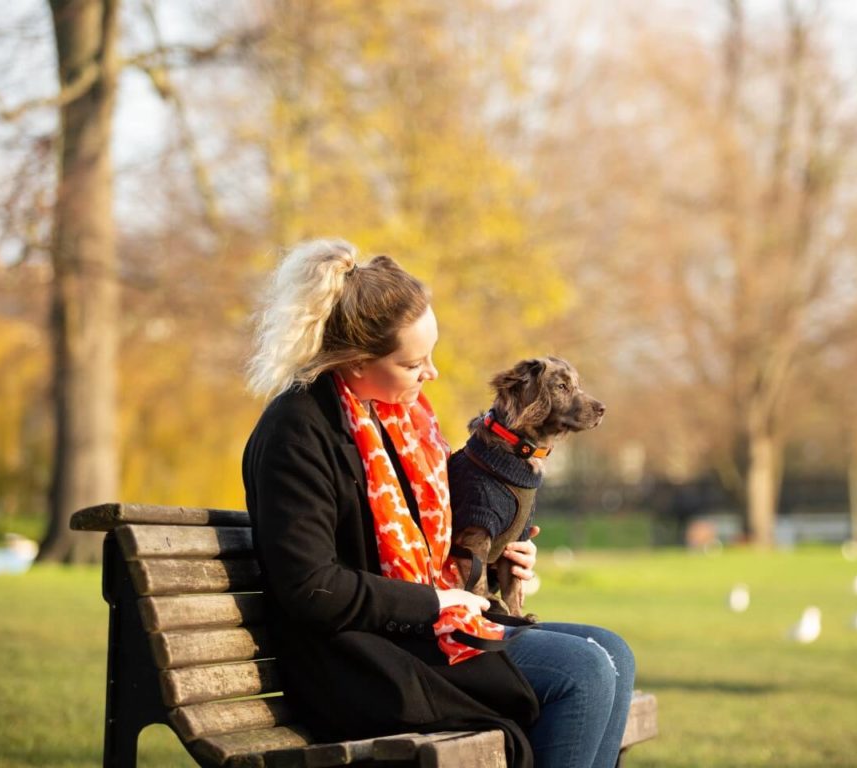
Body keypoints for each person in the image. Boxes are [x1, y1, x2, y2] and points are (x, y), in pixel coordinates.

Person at [242, 239, 635, 767]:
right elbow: (314, 587)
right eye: (414, 363)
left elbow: (423, 551)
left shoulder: (398, 423)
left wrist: (494, 565)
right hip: (362, 658)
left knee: (615, 653)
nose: (432, 374)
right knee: (582, 672)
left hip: (417, 633)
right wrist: (437, 604)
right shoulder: (299, 430)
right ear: (357, 363)